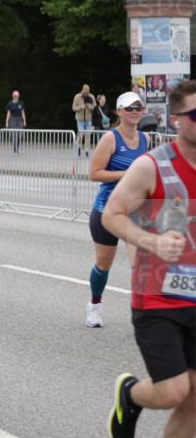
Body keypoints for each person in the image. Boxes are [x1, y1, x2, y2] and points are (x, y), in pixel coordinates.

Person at [102, 79, 196, 438]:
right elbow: (113, 214)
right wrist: (153, 242)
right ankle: (131, 395)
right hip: (158, 297)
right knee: (175, 390)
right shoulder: (151, 166)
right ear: (177, 119)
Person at [85, 91, 147, 328]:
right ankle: (94, 305)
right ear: (119, 111)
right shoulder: (110, 139)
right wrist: (127, 174)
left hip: (136, 212)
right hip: (107, 211)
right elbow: (94, 173)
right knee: (103, 264)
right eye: (129, 108)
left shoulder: (145, 139)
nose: (134, 112)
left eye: (138, 108)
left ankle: (145, 316)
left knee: (141, 264)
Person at [73, 84, 96, 156]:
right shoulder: (77, 96)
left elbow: (95, 107)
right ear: (82, 90)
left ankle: (87, 150)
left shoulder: (91, 96)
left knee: (88, 135)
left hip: (88, 119)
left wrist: (91, 107)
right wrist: (80, 107)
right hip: (80, 119)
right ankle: (79, 147)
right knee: (81, 134)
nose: (86, 94)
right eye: (85, 92)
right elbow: (73, 108)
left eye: (87, 92)